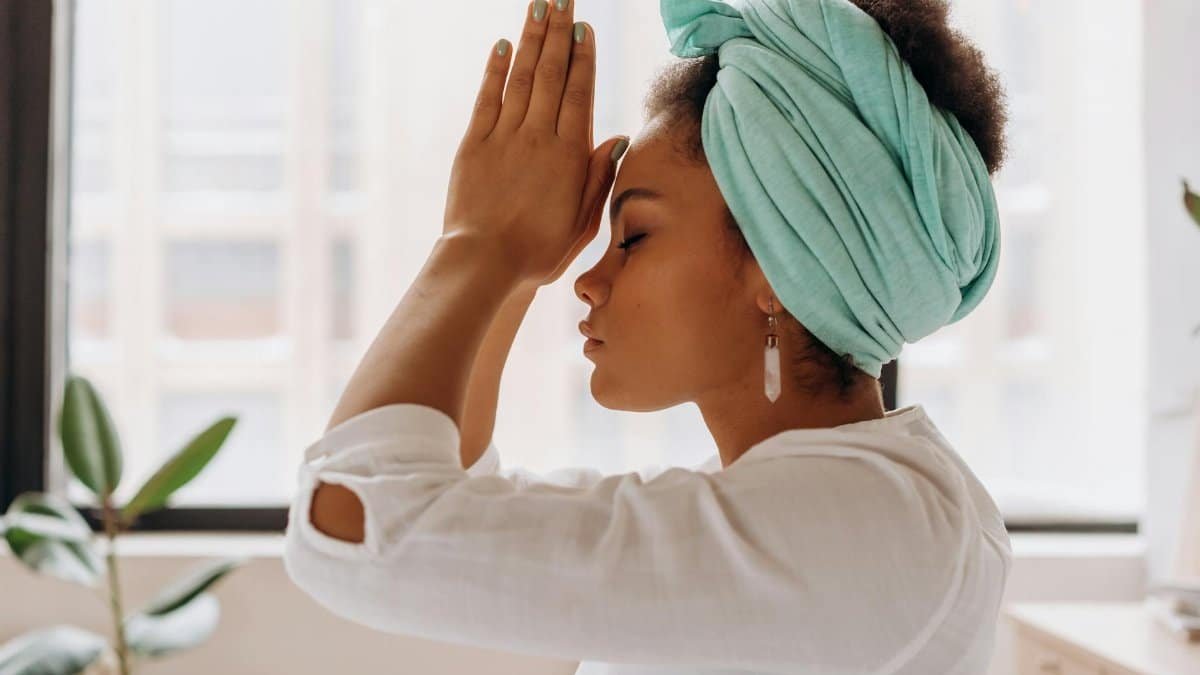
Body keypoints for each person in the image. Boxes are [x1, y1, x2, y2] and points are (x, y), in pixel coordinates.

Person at [283, 0, 1012, 673]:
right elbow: (452, 498)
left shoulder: (866, 523)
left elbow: (353, 522)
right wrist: (514, 273)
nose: (588, 280)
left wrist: (479, 245)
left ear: (778, 268)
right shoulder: (855, 505)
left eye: (631, 236)